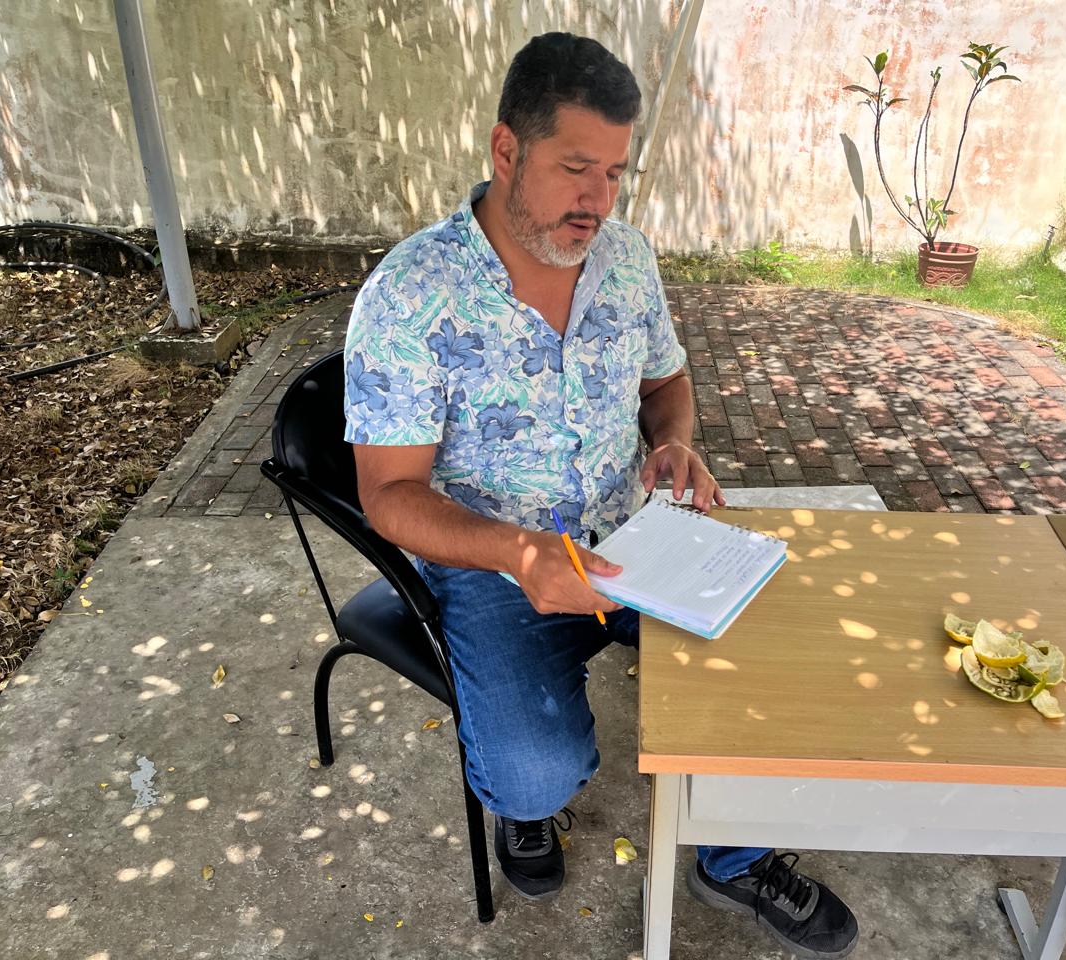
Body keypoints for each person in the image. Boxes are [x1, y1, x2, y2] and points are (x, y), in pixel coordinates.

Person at [343, 31, 858, 959]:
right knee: (536, 772)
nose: (598, 201)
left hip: (637, 534)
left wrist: (673, 442)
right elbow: (388, 493)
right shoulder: (410, 295)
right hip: (496, 567)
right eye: (576, 169)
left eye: (616, 173)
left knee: (779, 673)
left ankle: (733, 856)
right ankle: (525, 808)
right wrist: (517, 551)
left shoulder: (625, 259)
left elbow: (666, 382)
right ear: (506, 150)